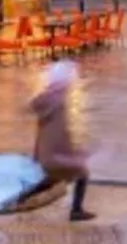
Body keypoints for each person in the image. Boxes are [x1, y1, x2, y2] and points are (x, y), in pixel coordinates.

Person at [31, 61, 94, 222]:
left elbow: (41, 127)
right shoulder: (59, 101)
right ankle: (76, 211)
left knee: (54, 178)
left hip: (47, 156)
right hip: (57, 156)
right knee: (82, 173)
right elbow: (61, 135)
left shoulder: (46, 98)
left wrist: (36, 154)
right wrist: (76, 153)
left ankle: (22, 197)